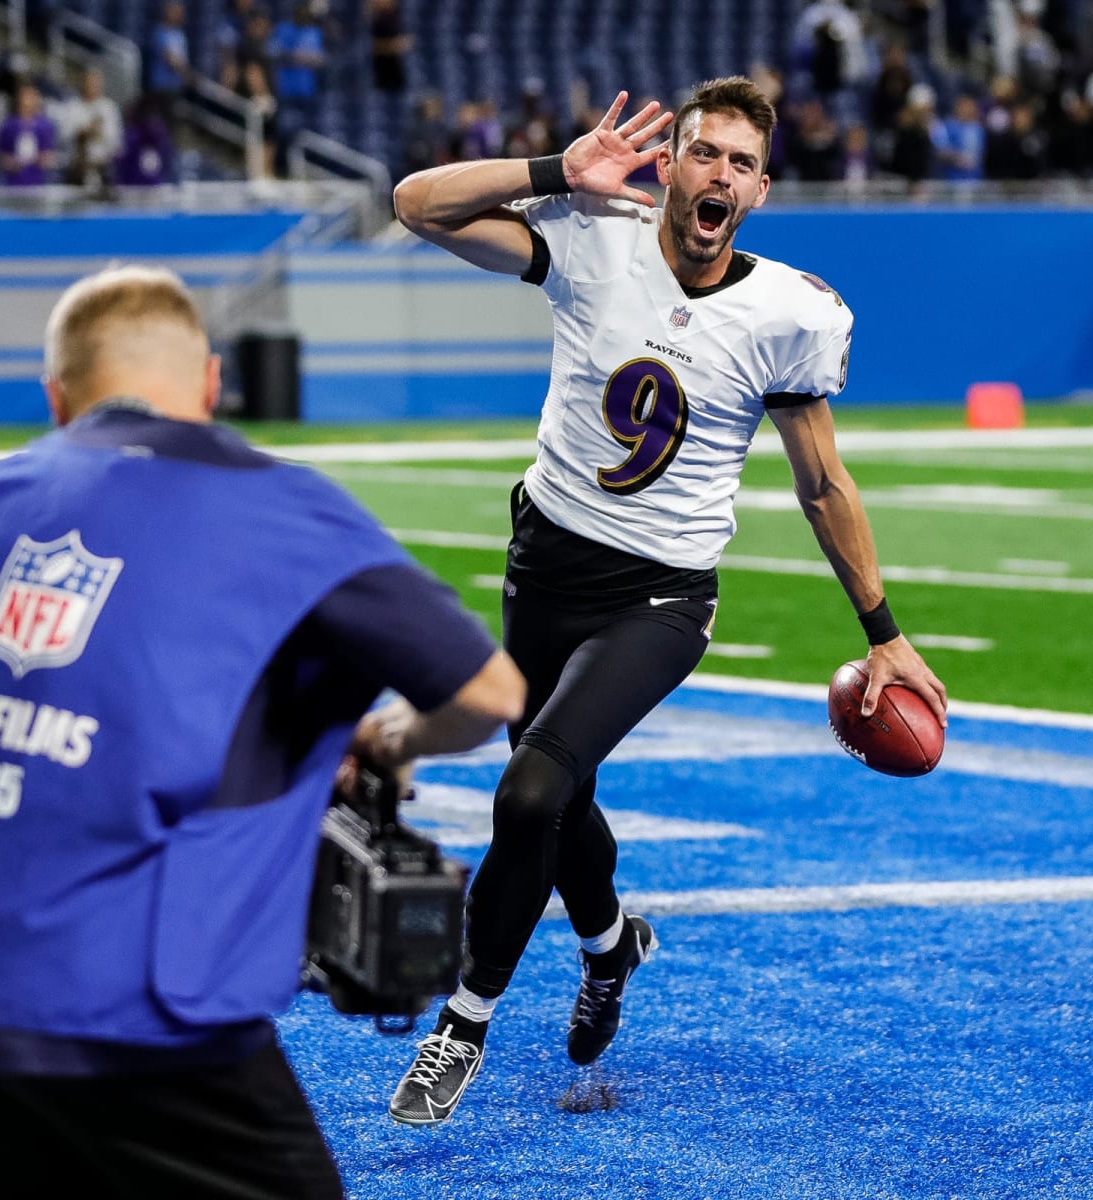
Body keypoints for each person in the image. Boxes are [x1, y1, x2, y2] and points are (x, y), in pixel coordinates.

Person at [388, 76, 948, 1125]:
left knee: (528, 794)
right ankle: (611, 947)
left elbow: (822, 482)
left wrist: (887, 634)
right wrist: (557, 170)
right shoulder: (596, 240)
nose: (720, 174)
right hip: (545, 564)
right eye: (704, 153)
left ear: (760, 190)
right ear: (668, 167)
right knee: (565, 793)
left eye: (741, 162)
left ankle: (463, 1022)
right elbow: (417, 204)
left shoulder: (789, 312)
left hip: (660, 597)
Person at [0, 265, 525, 1198]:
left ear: (56, 396)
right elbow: (488, 690)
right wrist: (383, 741)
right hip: (145, 1024)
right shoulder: (279, 507)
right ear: (214, 385)